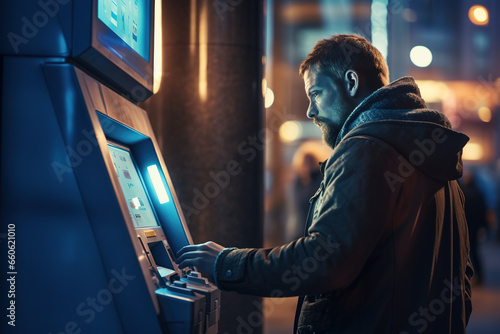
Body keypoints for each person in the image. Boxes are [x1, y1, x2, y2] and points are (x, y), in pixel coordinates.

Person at [176, 34, 473, 333]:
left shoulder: (366, 148)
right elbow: (463, 276)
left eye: (316, 93)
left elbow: (324, 259)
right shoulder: (437, 159)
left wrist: (227, 263)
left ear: (352, 83)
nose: (310, 111)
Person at [461, 171, 489, 285]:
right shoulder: (479, 192)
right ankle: (479, 276)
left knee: (466, 251)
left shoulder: (463, 191)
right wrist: (483, 226)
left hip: (466, 225)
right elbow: (483, 211)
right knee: (474, 251)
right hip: (475, 226)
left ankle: (466, 276)